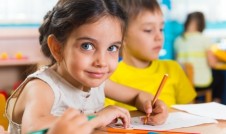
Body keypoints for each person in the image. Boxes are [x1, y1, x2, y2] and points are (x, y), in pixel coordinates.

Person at [5, 0, 168, 134]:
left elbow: (137, 96)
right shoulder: (42, 87)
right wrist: (96, 118)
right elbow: (32, 127)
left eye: (112, 48)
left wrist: (150, 105)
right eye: (87, 46)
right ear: (57, 48)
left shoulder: (95, 83)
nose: (102, 62)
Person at [105, 0, 196, 109]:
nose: (159, 37)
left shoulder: (173, 69)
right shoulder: (109, 77)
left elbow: (191, 113)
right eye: (148, 30)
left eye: (161, 29)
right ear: (122, 35)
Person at [174, 12, 213, 94]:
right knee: (220, 77)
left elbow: (176, 62)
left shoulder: (178, 40)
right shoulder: (204, 39)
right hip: (201, 83)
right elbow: (212, 63)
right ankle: (216, 101)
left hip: (183, 83)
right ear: (201, 23)